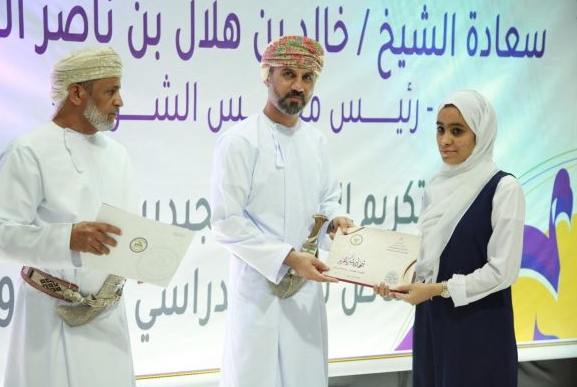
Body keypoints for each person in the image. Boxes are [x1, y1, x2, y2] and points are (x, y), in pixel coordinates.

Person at [0, 47, 138, 387]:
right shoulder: (28, 151)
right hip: (52, 319)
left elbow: (125, 231)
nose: (120, 101)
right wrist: (67, 239)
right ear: (77, 93)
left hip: (110, 321)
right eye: (111, 91)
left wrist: (141, 259)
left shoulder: (119, 155)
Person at [210, 35, 354, 387]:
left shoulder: (315, 142)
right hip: (258, 292)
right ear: (267, 76)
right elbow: (226, 222)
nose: (298, 86)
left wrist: (336, 222)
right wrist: (288, 258)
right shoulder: (240, 141)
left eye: (308, 78)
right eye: (289, 74)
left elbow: (327, 200)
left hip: (305, 292)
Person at [375, 90, 525, 387]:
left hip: (479, 328)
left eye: (457, 131)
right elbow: (428, 261)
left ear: (480, 135)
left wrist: (438, 289)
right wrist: (395, 281)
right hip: (432, 323)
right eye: (440, 129)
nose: (445, 140)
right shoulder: (435, 186)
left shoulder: (504, 189)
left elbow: (503, 271)